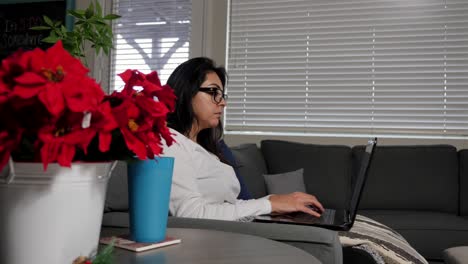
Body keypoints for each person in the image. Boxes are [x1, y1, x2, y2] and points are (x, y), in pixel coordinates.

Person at [162, 57, 324, 221]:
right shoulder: (169, 142)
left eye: (222, 94)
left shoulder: (208, 150)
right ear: (186, 92)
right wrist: (270, 204)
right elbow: (190, 214)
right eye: (213, 92)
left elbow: (227, 208)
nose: (223, 103)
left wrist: (274, 203)